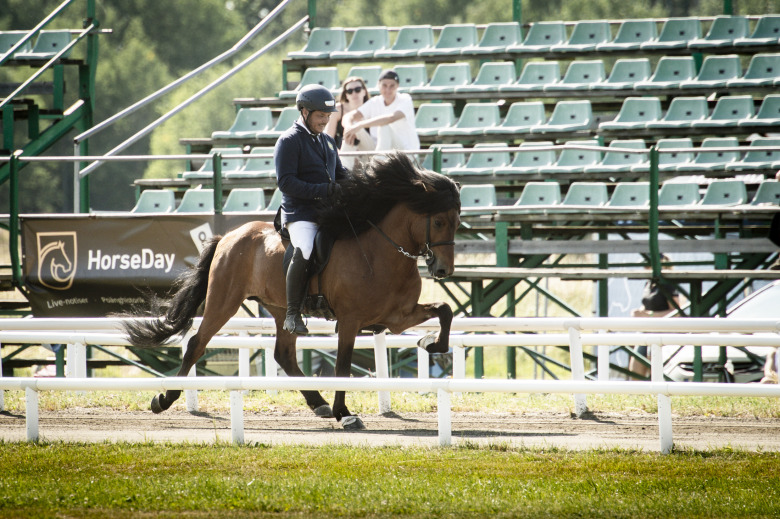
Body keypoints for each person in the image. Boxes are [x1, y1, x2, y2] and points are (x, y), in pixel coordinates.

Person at [274, 84, 348, 336]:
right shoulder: (289, 141)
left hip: (327, 211)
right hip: (300, 213)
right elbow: (285, 182)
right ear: (304, 111)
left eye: (328, 117)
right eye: (320, 116)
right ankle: (293, 313)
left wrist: (363, 184)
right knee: (304, 248)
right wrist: (323, 190)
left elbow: (341, 174)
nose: (325, 121)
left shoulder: (327, 141)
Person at [343, 68, 420, 154]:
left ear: (397, 86)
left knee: (384, 126)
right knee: (352, 128)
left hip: (404, 153)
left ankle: (378, 164)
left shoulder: (405, 99)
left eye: (392, 86)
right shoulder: (374, 101)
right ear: (378, 85)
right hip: (375, 150)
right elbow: (348, 116)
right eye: (384, 85)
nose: (388, 89)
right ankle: (343, 165)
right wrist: (348, 127)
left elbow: (391, 118)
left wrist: (361, 124)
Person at [629, 254, 681, 377]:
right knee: (635, 370)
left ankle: (656, 395)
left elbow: (676, 312)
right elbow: (647, 305)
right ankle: (637, 396)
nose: (645, 269)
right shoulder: (648, 283)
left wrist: (648, 315)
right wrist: (639, 312)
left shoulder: (668, 283)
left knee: (655, 372)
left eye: (647, 265)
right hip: (646, 331)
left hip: (662, 333)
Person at [324, 76, 375, 170]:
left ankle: (343, 171)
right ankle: (344, 168)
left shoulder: (372, 106)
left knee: (354, 128)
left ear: (364, 91)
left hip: (370, 153)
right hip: (345, 151)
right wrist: (338, 154)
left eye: (358, 89)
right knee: (350, 138)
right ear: (346, 95)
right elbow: (328, 138)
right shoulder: (338, 110)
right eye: (350, 91)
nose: (354, 93)